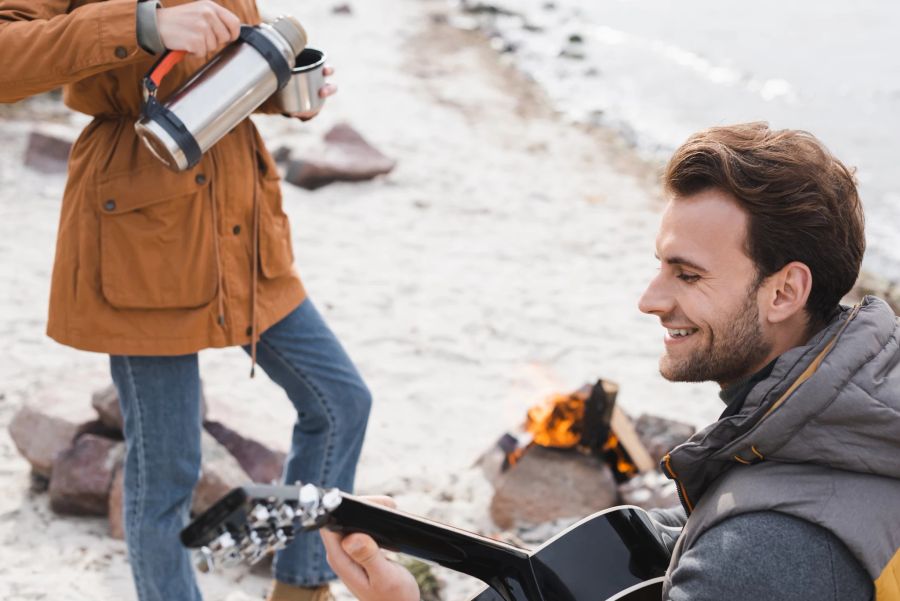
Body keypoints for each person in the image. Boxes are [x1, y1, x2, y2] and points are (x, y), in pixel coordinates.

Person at [320, 123, 900, 600]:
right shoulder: (846, 427)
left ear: (784, 292)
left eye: (688, 274)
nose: (650, 300)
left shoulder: (763, 552)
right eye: (660, 265)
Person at [0, 2, 371, 601]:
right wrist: (144, 26)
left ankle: (302, 589)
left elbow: (217, 63)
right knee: (168, 465)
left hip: (239, 221)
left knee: (340, 402)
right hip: (141, 225)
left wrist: (282, 89)